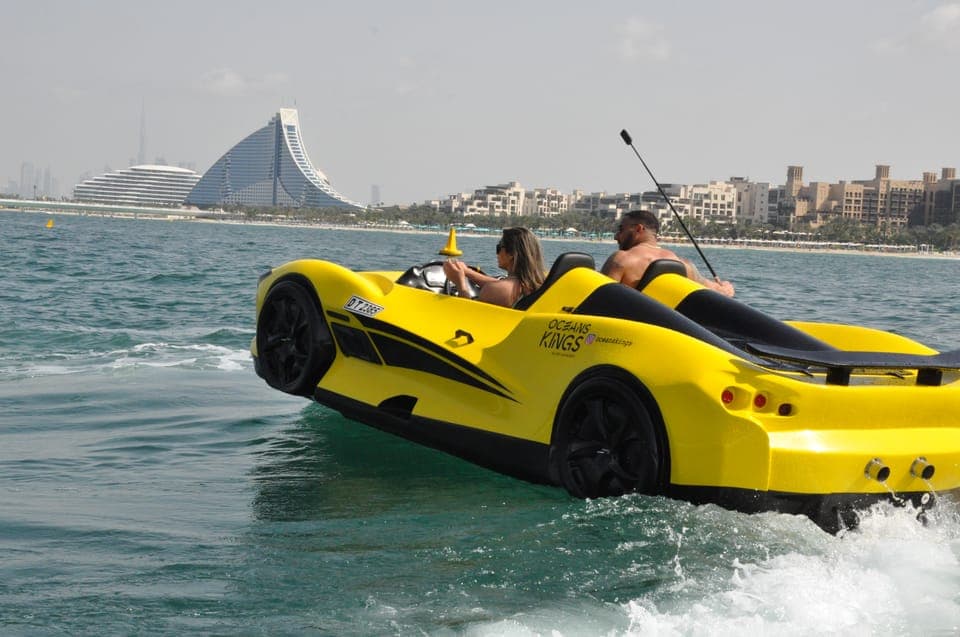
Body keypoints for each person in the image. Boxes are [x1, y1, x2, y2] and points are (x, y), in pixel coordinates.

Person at [600, 209, 735, 296]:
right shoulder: (684, 266)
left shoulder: (622, 260)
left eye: (621, 229)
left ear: (639, 229)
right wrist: (724, 287)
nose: (616, 236)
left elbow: (598, 300)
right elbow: (721, 292)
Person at [443, 227, 546, 307]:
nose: (497, 253)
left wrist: (460, 283)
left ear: (511, 255)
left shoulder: (495, 290)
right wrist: (468, 272)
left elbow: (469, 319)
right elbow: (501, 285)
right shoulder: (537, 284)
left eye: (499, 247)